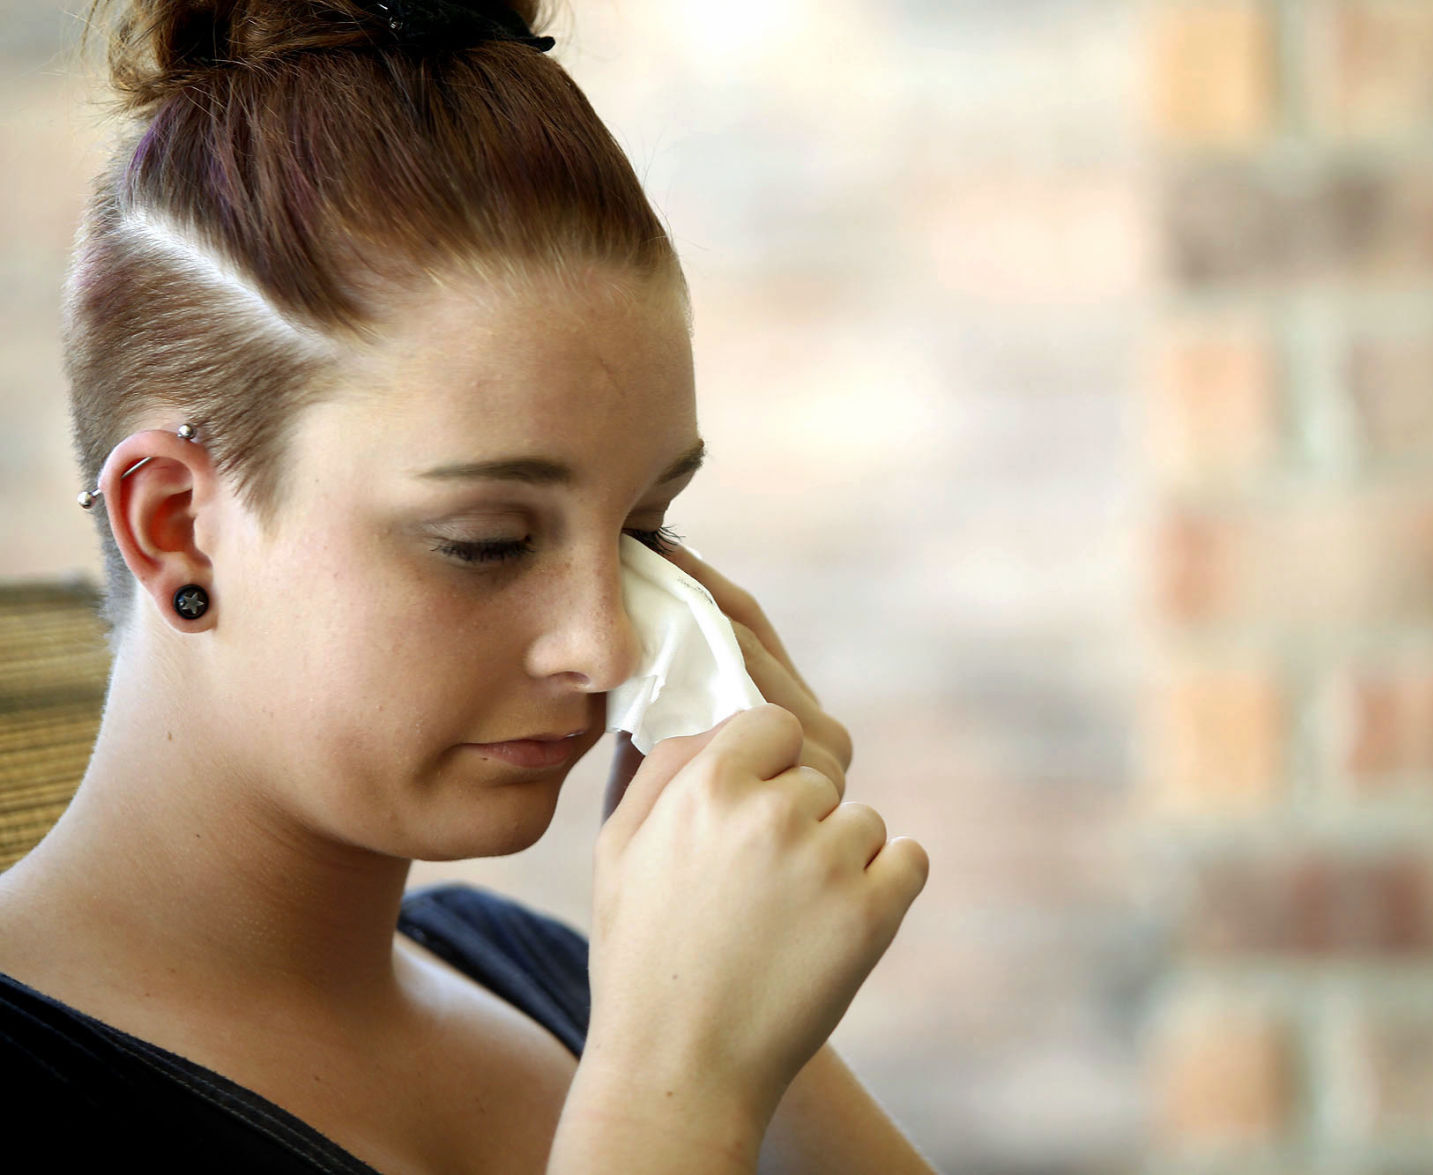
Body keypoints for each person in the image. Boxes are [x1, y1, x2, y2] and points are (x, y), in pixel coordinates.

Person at [0, 2, 934, 1172]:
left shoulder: (553, 983)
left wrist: (756, 1032)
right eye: (487, 540)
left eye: (645, 524)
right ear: (177, 525)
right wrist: (671, 1091)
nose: (602, 645)